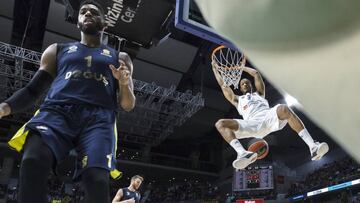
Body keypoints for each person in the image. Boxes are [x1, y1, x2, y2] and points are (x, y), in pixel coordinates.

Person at [0, 0, 135, 202]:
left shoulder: (120, 57)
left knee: (96, 180)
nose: (88, 13)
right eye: (83, 12)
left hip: (98, 119)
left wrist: (124, 83)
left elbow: (128, 104)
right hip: (57, 112)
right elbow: (32, 90)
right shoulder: (57, 50)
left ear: (104, 23)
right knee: (32, 160)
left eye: (94, 12)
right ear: (78, 22)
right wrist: (4, 107)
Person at [212, 64, 329, 169]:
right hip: (251, 124)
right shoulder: (237, 100)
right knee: (220, 124)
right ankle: (242, 153)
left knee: (284, 108)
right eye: (242, 84)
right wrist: (215, 69)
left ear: (251, 85)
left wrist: (241, 68)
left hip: (268, 117)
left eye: (247, 82)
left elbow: (256, 74)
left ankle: (313, 147)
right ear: (240, 88)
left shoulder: (259, 94)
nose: (245, 84)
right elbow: (223, 85)